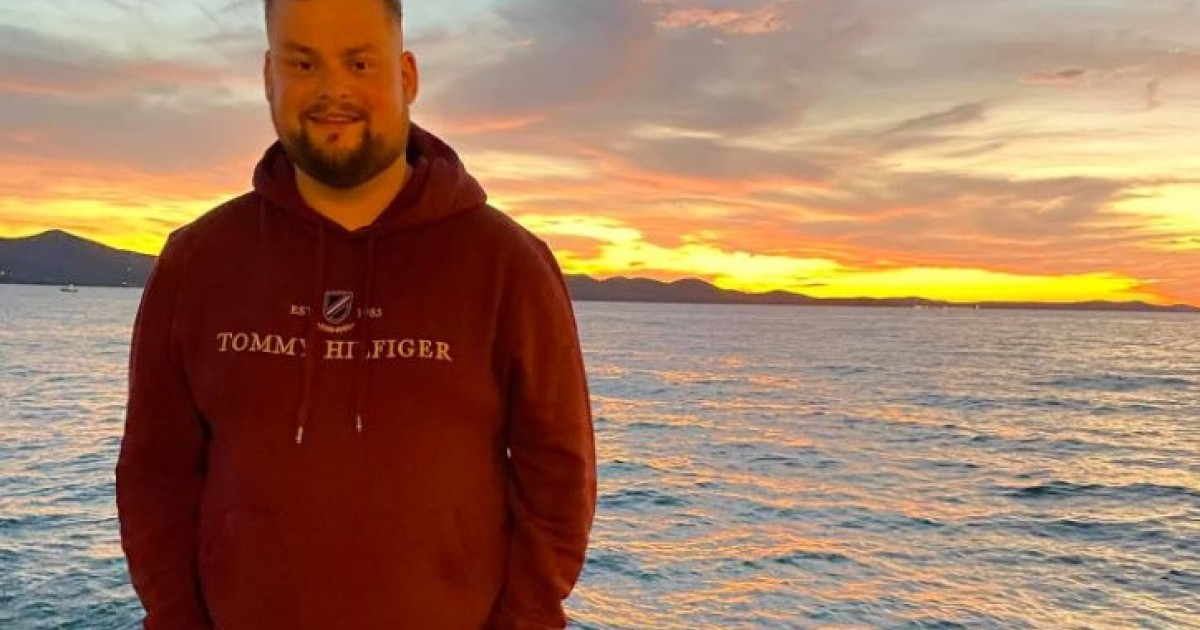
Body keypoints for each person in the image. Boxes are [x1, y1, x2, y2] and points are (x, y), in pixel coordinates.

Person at [113, 0, 597, 628]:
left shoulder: (508, 264)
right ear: (269, 77)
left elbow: (558, 480)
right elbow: (154, 475)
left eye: (359, 62)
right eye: (303, 63)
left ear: (407, 76)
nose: (332, 88)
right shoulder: (197, 261)